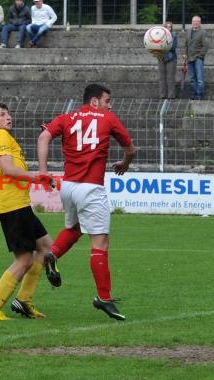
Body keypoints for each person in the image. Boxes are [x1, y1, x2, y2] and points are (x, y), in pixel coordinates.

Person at [37, 83, 136, 321]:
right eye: (106, 100)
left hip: (68, 187)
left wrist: (43, 171)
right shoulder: (108, 118)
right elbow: (130, 149)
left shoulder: (67, 117)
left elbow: (43, 137)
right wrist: (124, 164)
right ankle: (104, 297)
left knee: (75, 228)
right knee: (100, 244)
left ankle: (53, 254)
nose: (109, 105)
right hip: (91, 188)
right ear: (94, 101)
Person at [0, 103, 55, 321]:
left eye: (9, 113)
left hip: (18, 203)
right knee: (24, 259)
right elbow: (8, 169)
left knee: (46, 247)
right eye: (2, 114)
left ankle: (24, 300)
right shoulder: (0, 136)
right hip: (12, 205)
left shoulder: (2, 137)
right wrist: (37, 177)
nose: (8, 117)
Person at [183, 15, 208, 100]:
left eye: (197, 21)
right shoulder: (189, 31)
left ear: (200, 23)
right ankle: (195, 93)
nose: (195, 23)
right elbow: (186, 44)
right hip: (189, 58)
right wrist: (185, 53)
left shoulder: (203, 32)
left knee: (200, 79)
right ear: (192, 22)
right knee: (192, 79)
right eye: (194, 21)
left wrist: (200, 56)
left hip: (198, 58)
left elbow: (206, 46)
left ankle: (200, 95)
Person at [157, 21, 177, 99]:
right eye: (166, 27)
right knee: (161, 78)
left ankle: (171, 95)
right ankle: (162, 95)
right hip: (161, 58)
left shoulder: (173, 35)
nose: (168, 28)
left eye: (170, 27)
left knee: (170, 78)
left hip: (171, 58)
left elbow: (173, 47)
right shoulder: (159, 36)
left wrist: (163, 45)